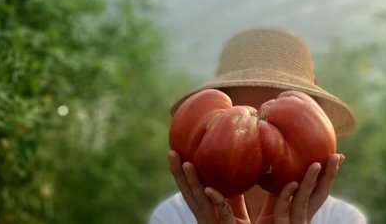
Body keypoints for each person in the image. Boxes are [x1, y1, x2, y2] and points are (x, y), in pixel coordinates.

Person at [150, 28, 367, 224]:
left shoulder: (343, 219)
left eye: (282, 117)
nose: (260, 131)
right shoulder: (172, 216)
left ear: (319, 122)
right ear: (211, 120)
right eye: (242, 115)